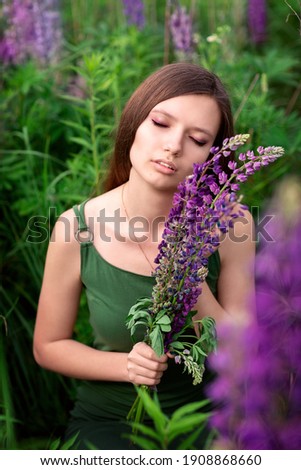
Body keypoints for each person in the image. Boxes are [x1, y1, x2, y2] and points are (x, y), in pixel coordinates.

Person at [33, 62, 255, 450]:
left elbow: (242, 353)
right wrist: (126, 366)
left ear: (212, 158)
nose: (173, 146)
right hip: (109, 420)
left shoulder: (233, 225)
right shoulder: (76, 227)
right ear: (135, 122)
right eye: (161, 122)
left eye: (198, 139)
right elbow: (48, 346)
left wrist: (189, 269)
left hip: (208, 417)